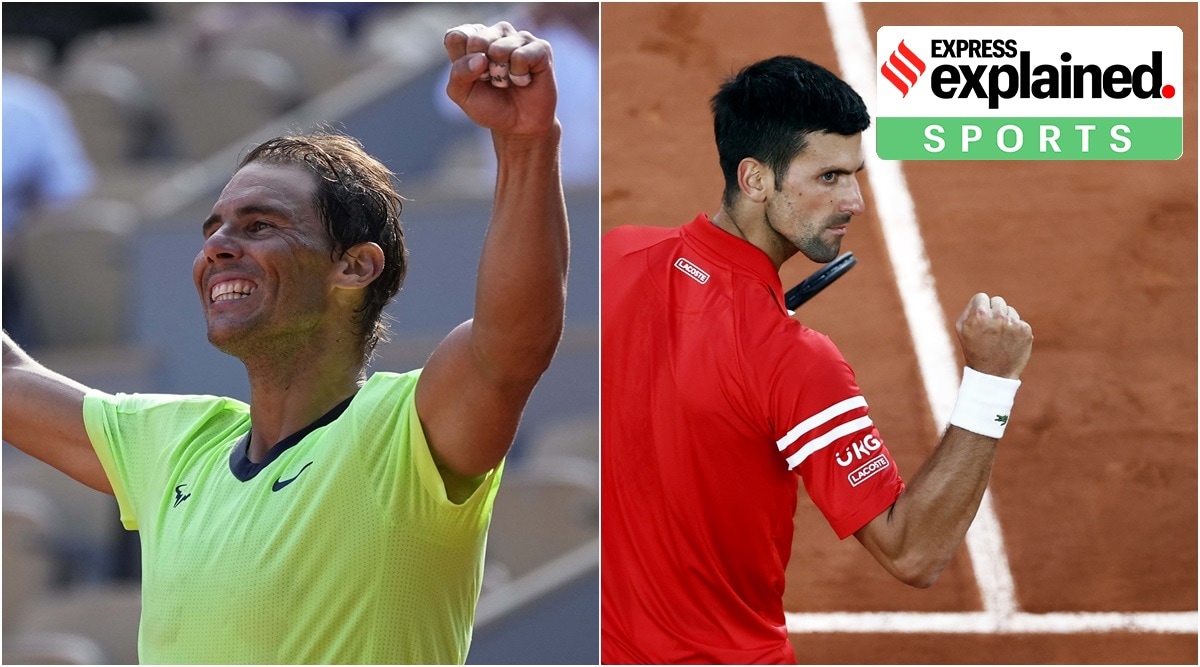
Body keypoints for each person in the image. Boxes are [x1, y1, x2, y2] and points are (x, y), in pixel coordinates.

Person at [2, 20, 568, 665]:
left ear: (354, 267)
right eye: (212, 229)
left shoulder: (407, 430)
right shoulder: (176, 445)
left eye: (260, 224)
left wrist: (526, 144)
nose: (217, 247)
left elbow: (514, 343)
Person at [601, 55, 1034, 664]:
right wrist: (993, 381)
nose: (855, 200)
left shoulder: (616, 254)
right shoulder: (796, 362)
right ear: (755, 180)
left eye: (855, 174)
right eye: (828, 177)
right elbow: (912, 551)